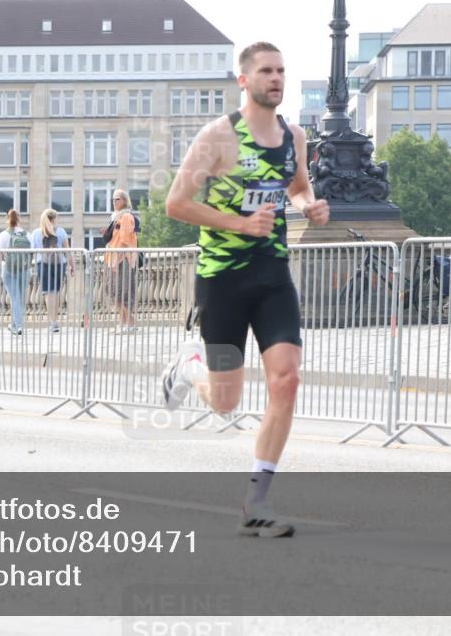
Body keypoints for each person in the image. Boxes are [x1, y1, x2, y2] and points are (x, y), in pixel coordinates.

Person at [161, 42, 330, 538]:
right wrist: (238, 223)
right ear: (244, 80)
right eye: (266, 71)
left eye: (282, 70)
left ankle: (257, 498)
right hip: (222, 278)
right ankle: (191, 369)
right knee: (226, 402)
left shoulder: (293, 136)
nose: (276, 78)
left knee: (287, 379)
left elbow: (296, 187)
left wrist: (308, 206)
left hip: (273, 274)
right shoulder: (217, 137)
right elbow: (176, 204)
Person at [103, 189, 140, 334]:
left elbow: (125, 241)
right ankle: (123, 323)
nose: (114, 202)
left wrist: (117, 259)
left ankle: (130, 323)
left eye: (117, 199)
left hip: (122, 259)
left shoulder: (126, 217)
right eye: (113, 199)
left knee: (122, 292)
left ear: (124, 201)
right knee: (114, 292)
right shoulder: (115, 217)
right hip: (112, 259)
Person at [31, 208, 73, 333]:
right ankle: (55, 320)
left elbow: (33, 251)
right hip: (60, 264)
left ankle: (52, 322)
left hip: (43, 264)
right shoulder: (61, 231)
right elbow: (67, 250)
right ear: (54, 219)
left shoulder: (36, 233)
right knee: (56, 292)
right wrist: (72, 266)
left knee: (48, 293)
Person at [0, 209, 32, 335]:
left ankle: (19, 325)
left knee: (14, 297)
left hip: (9, 268)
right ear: (19, 218)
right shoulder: (27, 234)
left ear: (7, 218)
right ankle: (15, 324)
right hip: (25, 269)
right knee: (20, 298)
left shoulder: (4, 234)